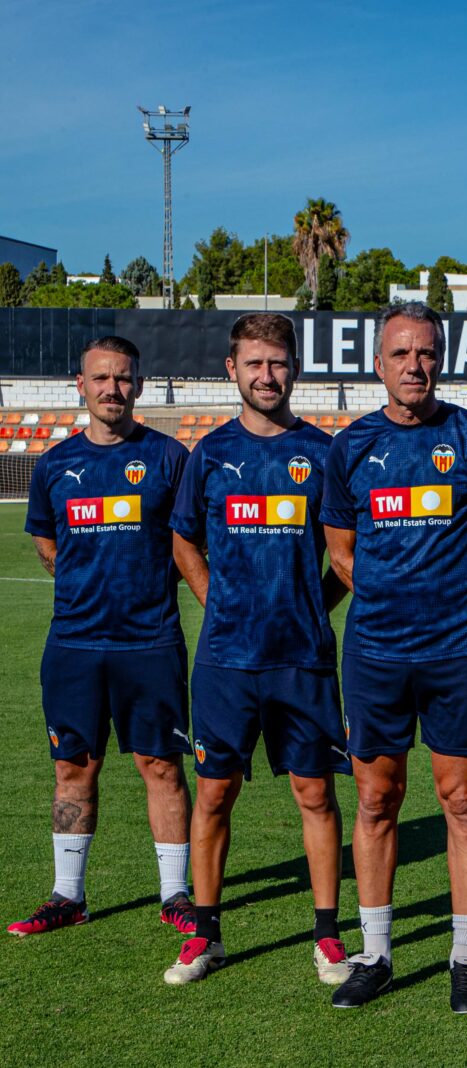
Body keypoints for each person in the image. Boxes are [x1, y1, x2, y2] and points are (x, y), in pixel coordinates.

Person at [320, 302, 467, 1014]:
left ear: (443, 358)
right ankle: (376, 953)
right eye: (400, 353)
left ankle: (466, 956)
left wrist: (460, 602)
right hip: (375, 652)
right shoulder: (350, 448)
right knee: (376, 799)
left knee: (462, 799)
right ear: (378, 364)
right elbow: (341, 553)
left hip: (458, 650)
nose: (414, 366)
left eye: (426, 352)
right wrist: (390, 603)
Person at [163, 313, 351, 986]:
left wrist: (316, 604)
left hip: (302, 658)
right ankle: (205, 934)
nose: (266, 375)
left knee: (316, 794)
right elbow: (182, 538)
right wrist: (215, 598)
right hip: (226, 663)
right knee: (214, 795)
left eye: (277, 363)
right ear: (231, 370)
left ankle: (327, 937)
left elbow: (345, 553)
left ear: (294, 368)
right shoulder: (207, 456)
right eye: (254, 364)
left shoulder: (326, 453)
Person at [10, 336, 195, 938]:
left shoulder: (170, 458)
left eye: (123, 378)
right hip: (75, 646)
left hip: (151, 642)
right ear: (81, 386)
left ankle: (176, 894)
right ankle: (69, 894)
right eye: (101, 378)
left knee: (161, 766)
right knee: (73, 767)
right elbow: (46, 542)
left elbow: (190, 543)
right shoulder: (54, 465)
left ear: (138, 385)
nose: (112, 389)